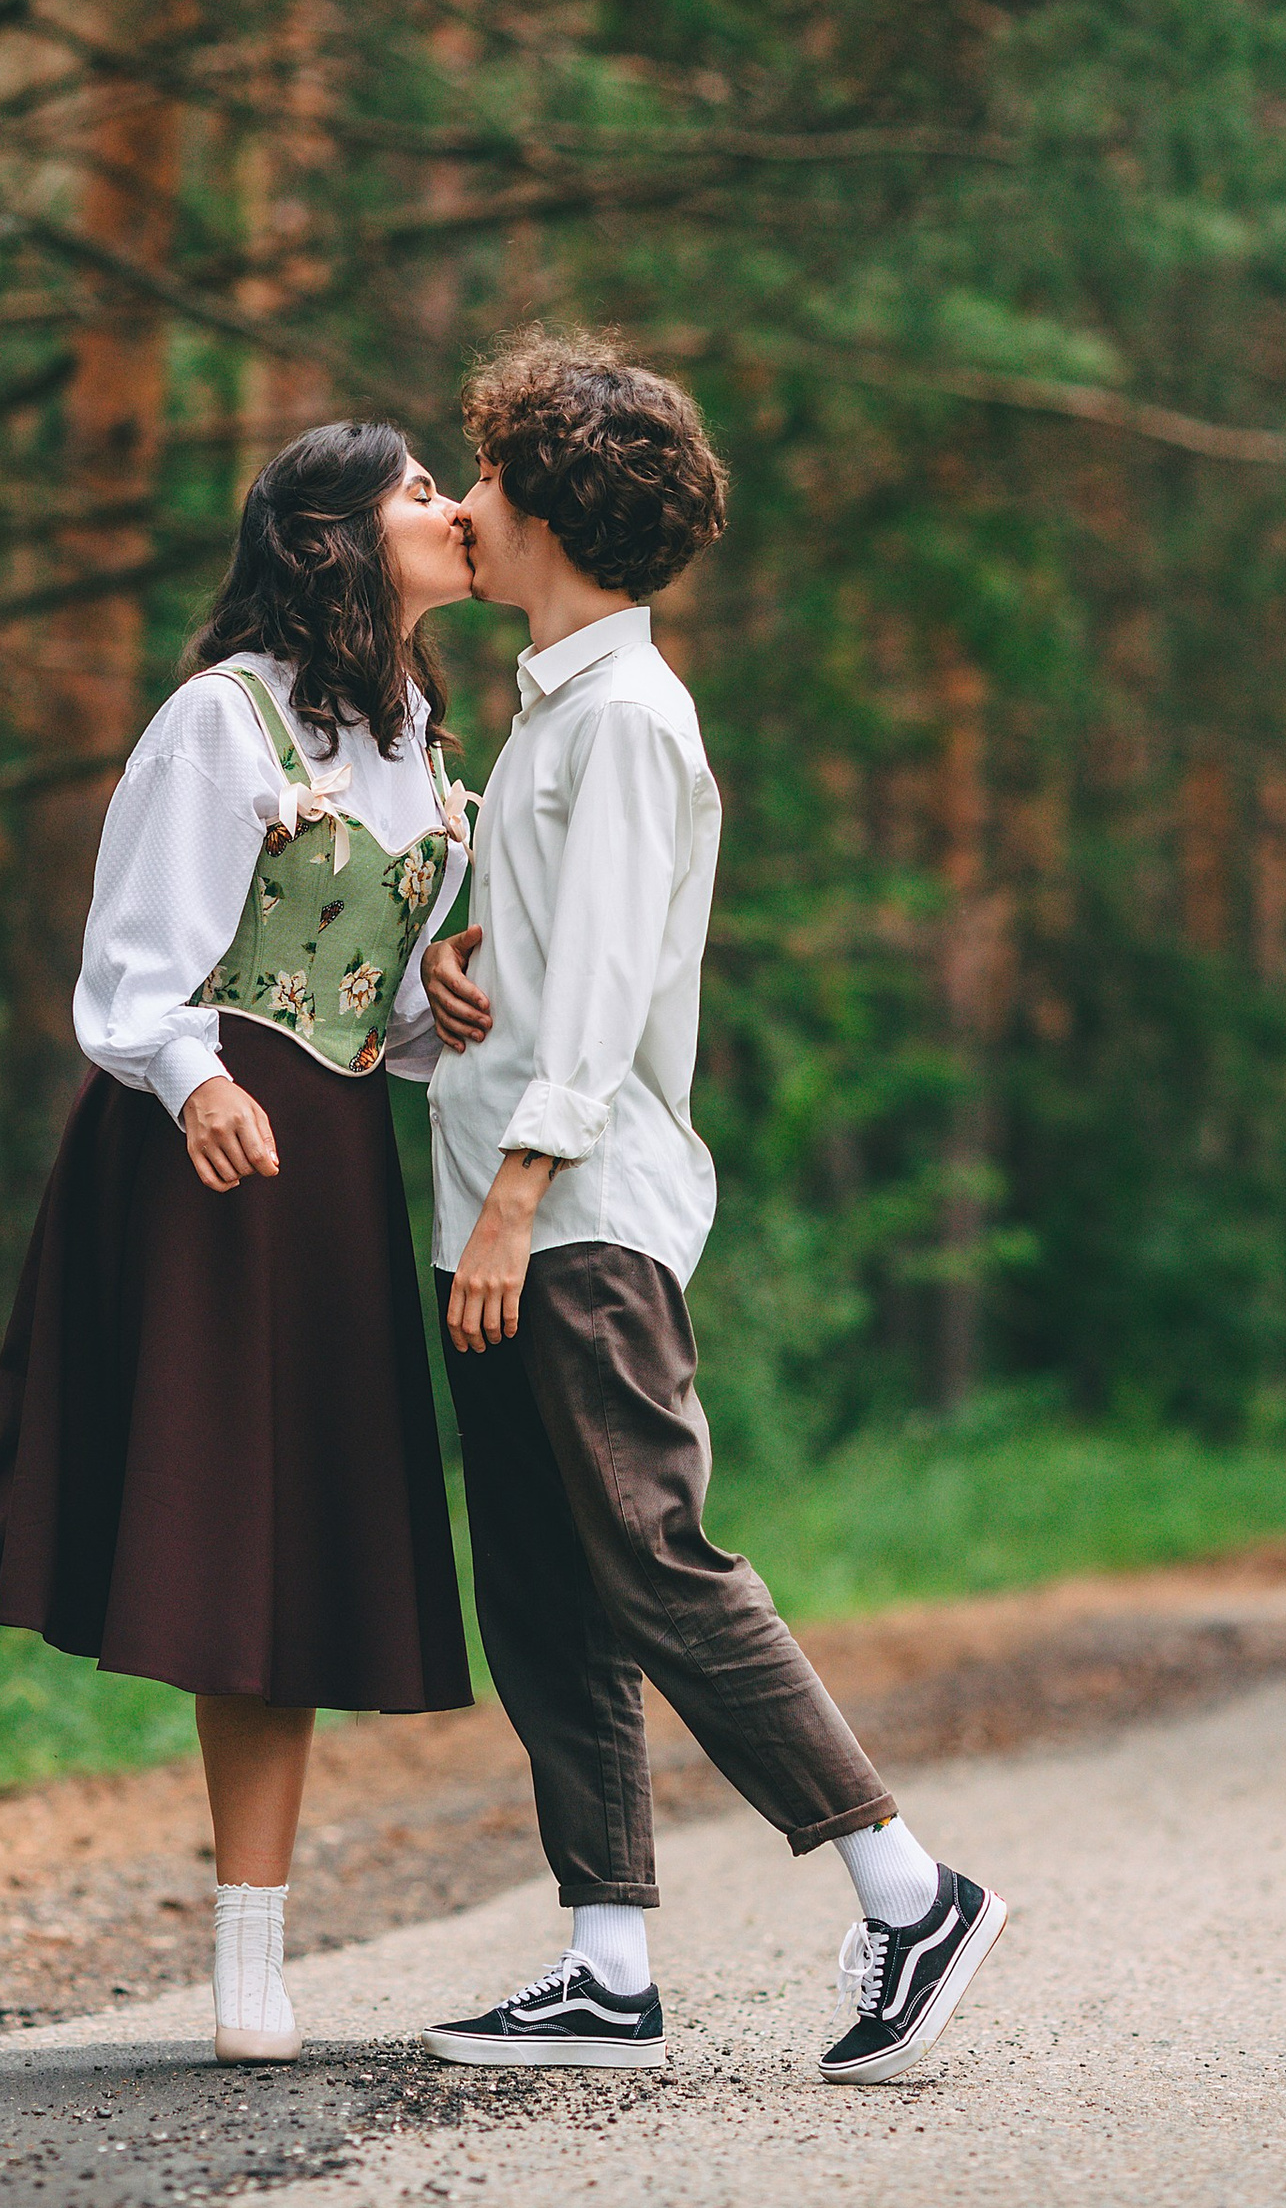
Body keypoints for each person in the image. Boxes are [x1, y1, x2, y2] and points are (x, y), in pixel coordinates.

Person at [0, 422, 480, 2066]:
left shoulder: (429, 752)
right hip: (191, 1150)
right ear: (330, 536)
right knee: (160, 1508)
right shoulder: (218, 721)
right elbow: (132, 970)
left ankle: (251, 1955)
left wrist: (449, 1013)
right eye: (417, 490)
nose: (451, 508)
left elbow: (386, 1019)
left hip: (334, 1170)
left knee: (289, 1555)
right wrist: (195, 1081)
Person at [415, 328, 1006, 2083]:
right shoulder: (554, 714)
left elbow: (606, 993)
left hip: (576, 1214)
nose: (468, 499)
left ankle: (910, 1892)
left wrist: (521, 1192)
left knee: (655, 1557)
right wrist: (461, 970)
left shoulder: (628, 719)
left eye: (489, 472)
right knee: (543, 1583)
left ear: (552, 504)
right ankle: (607, 1964)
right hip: (502, 1203)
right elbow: (551, 963)